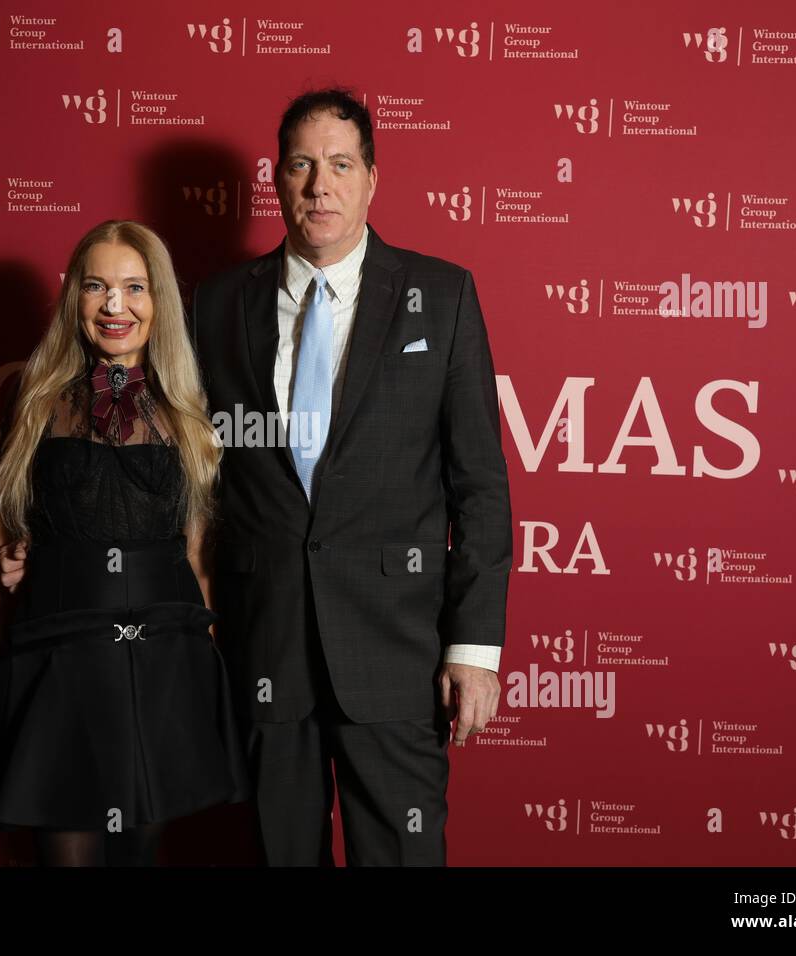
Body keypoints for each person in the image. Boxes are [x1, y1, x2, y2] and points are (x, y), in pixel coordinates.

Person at [187, 88, 513, 865]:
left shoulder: (444, 295)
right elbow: (189, 481)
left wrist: (473, 649)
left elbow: (482, 486)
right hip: (264, 651)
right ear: (275, 178)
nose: (319, 185)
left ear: (372, 177)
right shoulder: (213, 304)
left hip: (396, 657)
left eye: (339, 164)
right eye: (300, 165)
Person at [0, 219, 250, 866]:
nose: (114, 305)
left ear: (158, 300)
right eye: (96, 286)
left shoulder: (188, 415)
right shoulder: (39, 402)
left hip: (163, 664)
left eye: (134, 287)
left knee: (137, 854)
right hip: (61, 658)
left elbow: (197, 557)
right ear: (74, 298)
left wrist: (204, 684)